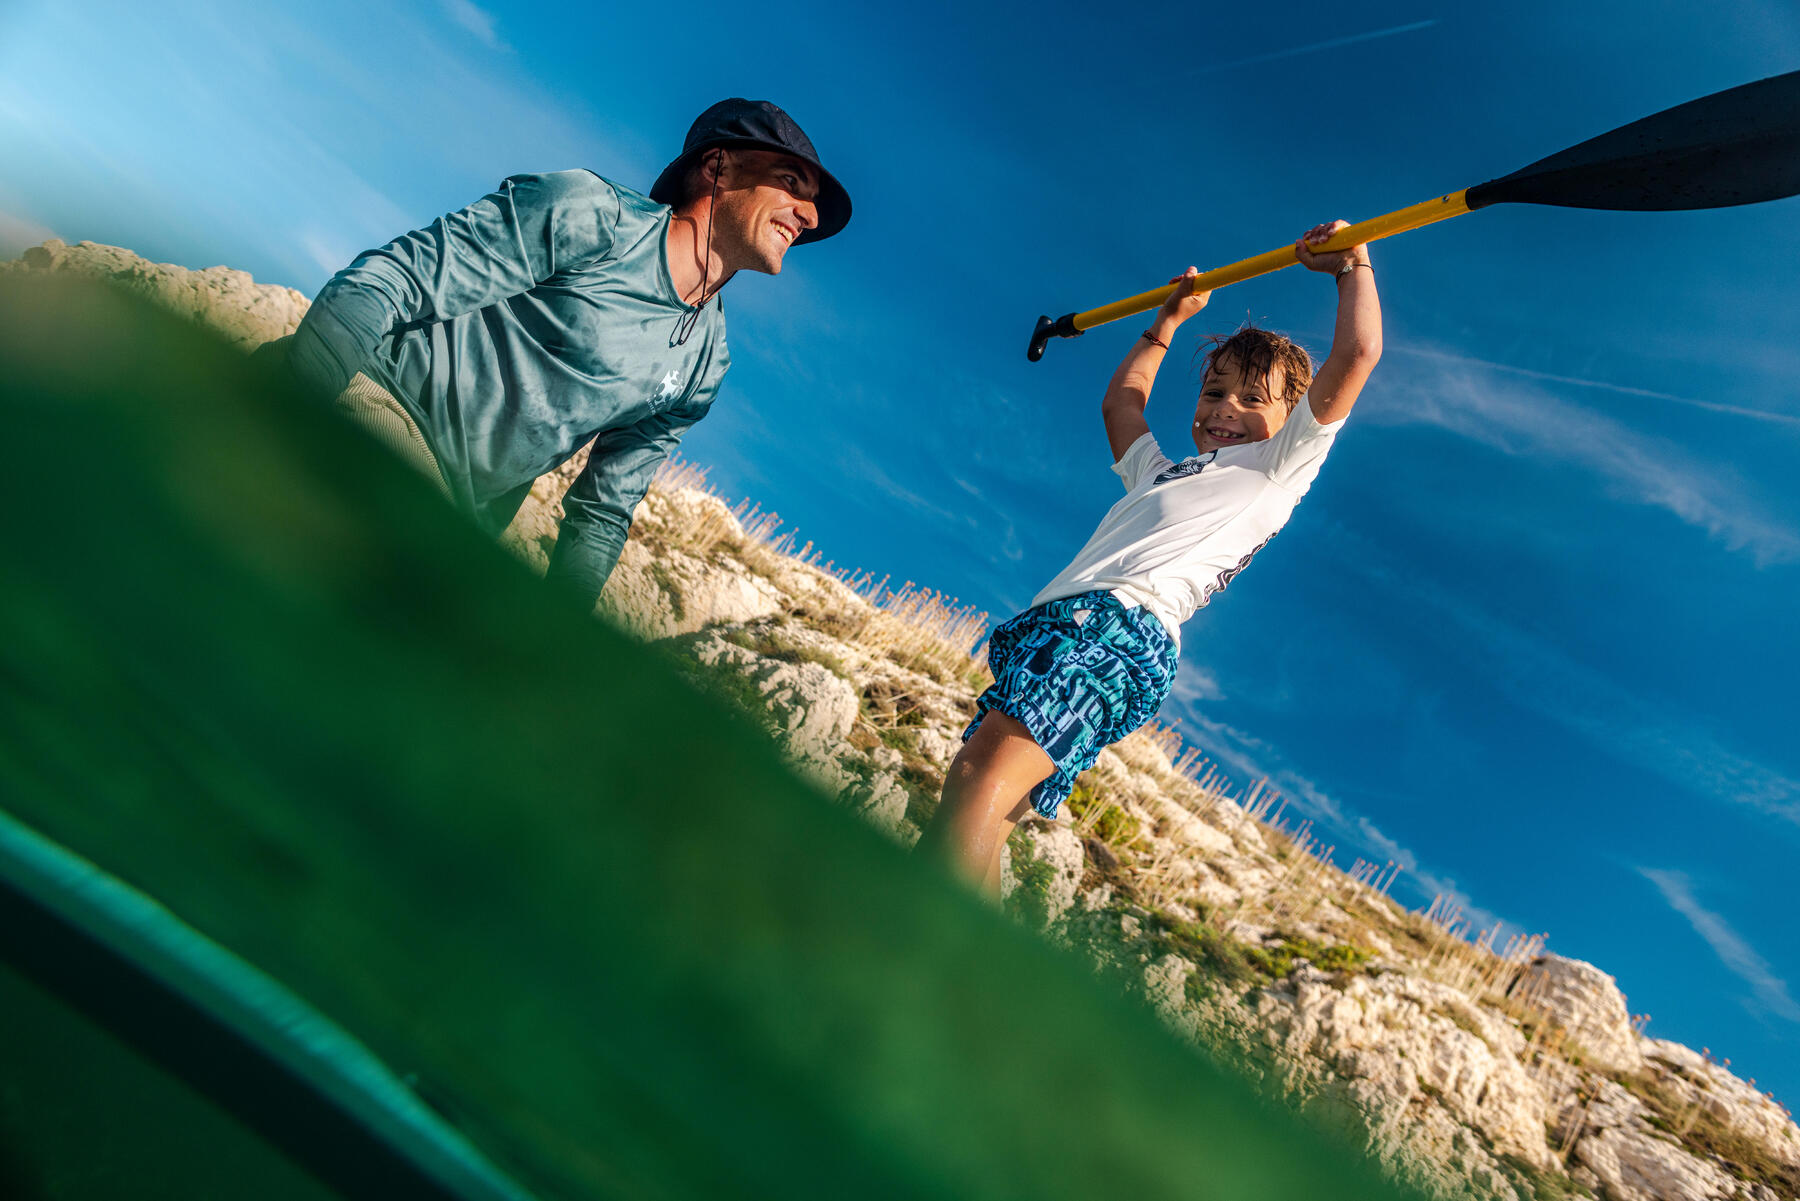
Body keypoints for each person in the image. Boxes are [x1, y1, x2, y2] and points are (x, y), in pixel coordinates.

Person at [917, 221, 1382, 895]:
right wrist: (1166, 323)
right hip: (1057, 629)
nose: (1225, 408)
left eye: (1254, 399)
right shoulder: (1160, 473)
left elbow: (1359, 353)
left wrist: (1352, 267)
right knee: (981, 809)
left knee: (975, 785)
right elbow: (1122, 402)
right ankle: (965, 981)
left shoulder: (1280, 469)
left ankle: (922, 961)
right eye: (1215, 392)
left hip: (1115, 630)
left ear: (1292, 418)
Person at [263, 99, 851, 608]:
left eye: (814, 202)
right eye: (791, 182)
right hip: (374, 408)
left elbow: (603, 511)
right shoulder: (592, 216)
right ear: (717, 165)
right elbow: (394, 279)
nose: (810, 215)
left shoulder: (705, 365)